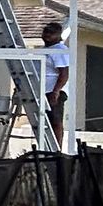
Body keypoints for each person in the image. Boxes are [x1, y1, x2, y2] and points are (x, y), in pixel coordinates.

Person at [39, 18, 71, 146]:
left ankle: (57, 149)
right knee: (45, 121)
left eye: (51, 33)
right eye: (45, 32)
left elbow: (64, 73)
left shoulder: (58, 50)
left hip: (53, 91)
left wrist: (56, 91)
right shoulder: (46, 49)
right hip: (43, 90)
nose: (47, 35)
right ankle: (46, 146)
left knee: (55, 120)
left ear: (58, 35)